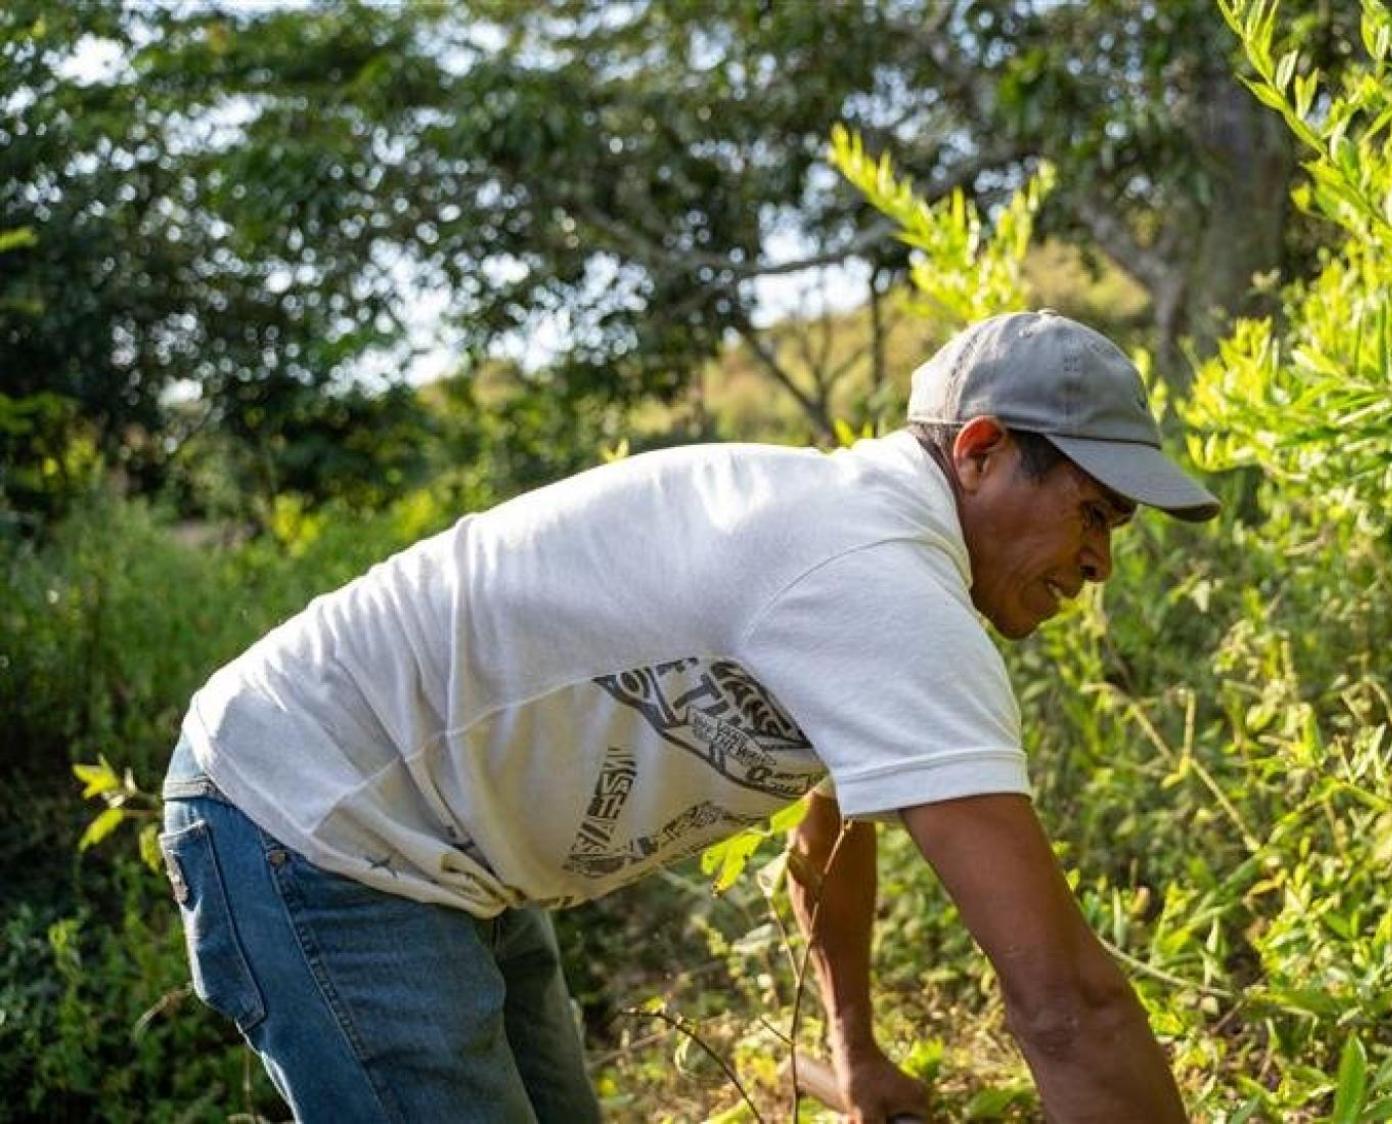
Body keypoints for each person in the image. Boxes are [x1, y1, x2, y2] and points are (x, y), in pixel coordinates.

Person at [160, 309, 1218, 1123]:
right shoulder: (875, 578)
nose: (1099, 560)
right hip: (312, 814)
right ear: (979, 450)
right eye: (1091, 511)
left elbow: (832, 828)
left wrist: (850, 1043)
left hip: (452, 850)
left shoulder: (867, 556)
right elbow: (1065, 1003)